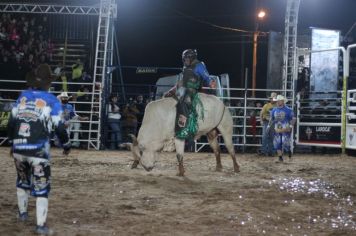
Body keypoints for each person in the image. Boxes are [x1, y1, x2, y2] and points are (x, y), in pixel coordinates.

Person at [7, 64, 71, 234]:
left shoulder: (22, 97)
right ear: (48, 83)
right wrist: (66, 144)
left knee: (22, 180)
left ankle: (22, 214)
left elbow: (11, 123)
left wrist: (13, 143)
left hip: (19, 147)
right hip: (38, 151)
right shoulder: (51, 100)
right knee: (41, 185)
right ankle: (40, 225)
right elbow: (59, 127)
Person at [165, 49, 212, 139]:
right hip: (184, 90)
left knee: (183, 104)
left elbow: (207, 78)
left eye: (186, 59)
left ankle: (184, 129)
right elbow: (182, 82)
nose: (184, 61)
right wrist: (171, 91)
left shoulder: (199, 66)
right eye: (184, 59)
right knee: (171, 101)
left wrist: (211, 83)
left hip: (194, 90)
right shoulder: (186, 68)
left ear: (191, 58)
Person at [269, 95, 296, 162]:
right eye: (277, 101)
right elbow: (271, 119)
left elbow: (293, 119)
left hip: (285, 129)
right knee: (277, 143)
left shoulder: (288, 110)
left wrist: (290, 126)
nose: (278, 102)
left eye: (279, 100)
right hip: (277, 129)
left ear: (283, 101)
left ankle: (289, 152)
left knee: (285, 143)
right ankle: (280, 157)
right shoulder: (274, 110)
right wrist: (269, 126)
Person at [258, 92, 277, 156]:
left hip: (273, 122)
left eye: (274, 98)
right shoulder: (266, 105)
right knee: (265, 137)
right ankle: (265, 151)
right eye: (272, 98)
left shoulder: (277, 106)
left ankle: (270, 151)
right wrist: (261, 120)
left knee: (271, 137)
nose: (273, 99)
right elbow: (261, 113)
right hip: (266, 122)